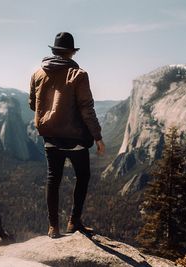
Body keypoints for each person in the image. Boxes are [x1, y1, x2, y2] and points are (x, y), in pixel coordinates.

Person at [29, 32, 105, 238]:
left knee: (53, 179)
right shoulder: (78, 74)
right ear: (71, 52)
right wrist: (97, 137)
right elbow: (86, 109)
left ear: (53, 51)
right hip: (75, 139)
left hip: (49, 136)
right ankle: (74, 222)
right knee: (82, 176)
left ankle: (53, 227)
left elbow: (32, 103)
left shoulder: (37, 73)